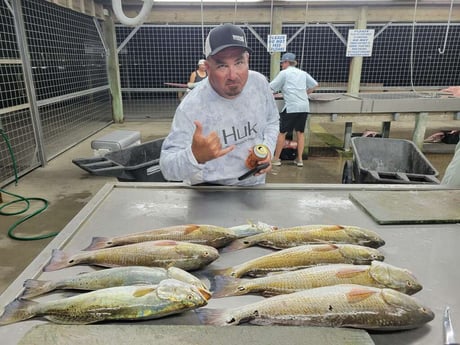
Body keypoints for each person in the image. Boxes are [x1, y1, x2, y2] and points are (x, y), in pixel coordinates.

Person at [160, 23, 279, 186]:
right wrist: (194, 156)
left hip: (253, 186)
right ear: (207, 68)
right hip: (210, 191)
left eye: (239, 63)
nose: (233, 75)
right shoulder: (192, 106)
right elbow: (167, 168)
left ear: (247, 59)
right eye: (222, 65)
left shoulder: (259, 84)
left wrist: (266, 150)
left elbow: (272, 121)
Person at [269, 52, 318, 167]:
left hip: (291, 107)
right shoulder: (302, 73)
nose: (282, 65)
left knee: (282, 133)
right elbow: (315, 85)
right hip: (304, 106)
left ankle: (276, 159)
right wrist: (304, 93)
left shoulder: (284, 73)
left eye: (282, 63)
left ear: (286, 62)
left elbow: (271, 87)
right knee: (300, 133)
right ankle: (299, 160)